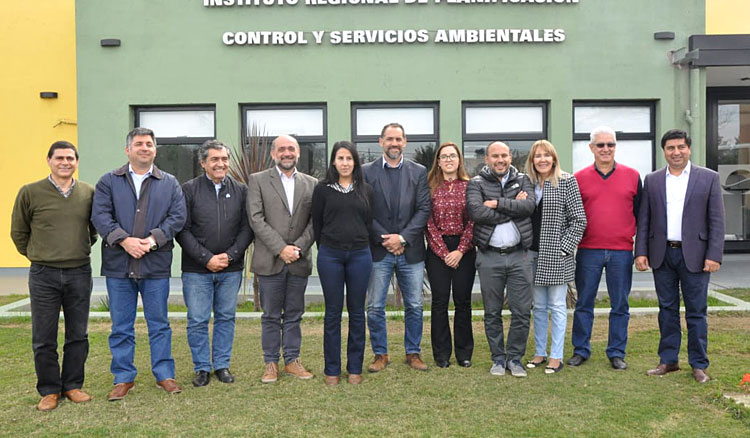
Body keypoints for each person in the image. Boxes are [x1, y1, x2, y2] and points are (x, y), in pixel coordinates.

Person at [91, 127, 186, 400]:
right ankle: (123, 378)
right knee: (121, 325)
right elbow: (101, 216)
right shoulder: (109, 181)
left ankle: (165, 375)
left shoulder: (169, 182)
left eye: (149, 144)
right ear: (128, 150)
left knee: (159, 323)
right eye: (138, 144)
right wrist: (125, 241)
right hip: (119, 265)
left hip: (155, 263)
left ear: (155, 150)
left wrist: (152, 240)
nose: (144, 148)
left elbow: (177, 216)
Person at [11, 141, 97, 411]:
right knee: (44, 336)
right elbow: (19, 233)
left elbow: (93, 232)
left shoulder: (88, 193)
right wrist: (40, 254)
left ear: (76, 162)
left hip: (79, 272)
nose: (65, 162)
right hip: (43, 274)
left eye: (70, 158)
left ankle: (72, 385)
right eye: (59, 157)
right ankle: (49, 390)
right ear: (48, 160)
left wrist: (73, 250)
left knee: (78, 334)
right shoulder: (30, 192)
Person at [636, 129, 724, 383]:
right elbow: (645, 220)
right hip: (662, 254)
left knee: (696, 312)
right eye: (671, 148)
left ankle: (698, 364)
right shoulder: (652, 180)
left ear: (689, 149)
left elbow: (716, 220)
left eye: (681, 147)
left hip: (696, 256)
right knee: (667, 310)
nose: (676, 152)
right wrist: (640, 251)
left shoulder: (708, 178)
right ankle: (668, 360)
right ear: (664, 151)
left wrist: (714, 254)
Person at [176, 140, 254, 387]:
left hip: (231, 269)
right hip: (197, 270)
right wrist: (206, 258)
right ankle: (201, 368)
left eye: (224, 159)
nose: (220, 164)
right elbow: (182, 230)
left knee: (226, 317)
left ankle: (221, 365)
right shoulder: (188, 190)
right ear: (203, 163)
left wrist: (230, 256)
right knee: (198, 319)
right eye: (214, 159)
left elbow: (247, 228)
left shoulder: (241, 190)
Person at [568, 126, 641, 371]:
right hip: (589, 250)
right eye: (600, 145)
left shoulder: (632, 176)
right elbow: (572, 215)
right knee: (584, 303)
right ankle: (581, 350)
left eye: (610, 144)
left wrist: (640, 249)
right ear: (591, 148)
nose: (605, 149)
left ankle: (617, 352)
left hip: (621, 251)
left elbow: (641, 215)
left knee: (620, 304)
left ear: (615, 147)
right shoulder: (579, 178)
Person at [362, 123, 431, 372]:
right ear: (380, 141)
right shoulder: (366, 172)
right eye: (389, 139)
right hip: (379, 250)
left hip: (410, 250)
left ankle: (413, 352)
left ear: (405, 142)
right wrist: (386, 239)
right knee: (375, 306)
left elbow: (424, 209)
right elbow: (364, 210)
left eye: (398, 139)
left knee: (414, 305)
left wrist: (402, 238)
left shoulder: (419, 171)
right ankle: (380, 354)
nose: (394, 143)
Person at [247, 134, 317, 383]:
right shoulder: (257, 181)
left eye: (291, 149)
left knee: (295, 314)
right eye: (282, 149)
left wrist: (296, 248)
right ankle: (270, 363)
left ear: (298, 153)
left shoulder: (312, 183)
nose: (287, 153)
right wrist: (281, 248)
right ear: (273, 154)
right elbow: (255, 219)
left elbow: (314, 222)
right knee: (270, 315)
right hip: (270, 260)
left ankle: (292, 360)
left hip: (298, 260)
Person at [466, 141, 535, 378]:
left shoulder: (524, 179)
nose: (500, 160)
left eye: (504, 155)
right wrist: (513, 207)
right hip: (489, 257)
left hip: (520, 256)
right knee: (492, 312)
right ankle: (498, 358)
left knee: (522, 311)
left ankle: (515, 359)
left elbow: (529, 206)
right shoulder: (476, 183)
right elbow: (476, 212)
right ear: (487, 159)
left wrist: (496, 204)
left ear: (510, 157)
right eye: (495, 156)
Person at [312, 141, 374, 385]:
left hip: (360, 255)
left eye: (349, 158)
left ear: (355, 162)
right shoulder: (322, 190)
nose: (345, 163)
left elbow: (369, 223)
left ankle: (355, 368)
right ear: (333, 162)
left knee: (357, 313)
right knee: (333, 314)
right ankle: (332, 370)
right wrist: (328, 247)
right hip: (331, 256)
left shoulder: (366, 190)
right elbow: (317, 224)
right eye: (340, 158)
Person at [524, 140, 587, 374]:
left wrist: (564, 248)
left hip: (556, 254)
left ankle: (556, 356)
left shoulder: (566, 181)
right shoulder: (527, 183)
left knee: (558, 306)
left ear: (554, 158)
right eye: (537, 156)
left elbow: (579, 219)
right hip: (531, 253)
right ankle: (540, 352)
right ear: (532, 160)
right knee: (538, 306)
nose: (542, 160)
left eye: (546, 155)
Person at [424, 141, 476, 368]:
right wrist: (445, 252)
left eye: (452, 156)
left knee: (463, 302)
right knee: (440, 302)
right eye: (444, 156)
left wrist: (460, 250)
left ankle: (464, 353)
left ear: (459, 160)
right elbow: (427, 223)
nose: (448, 160)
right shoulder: (429, 187)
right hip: (438, 250)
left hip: (464, 250)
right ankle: (442, 354)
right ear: (438, 161)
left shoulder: (470, 186)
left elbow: (475, 220)